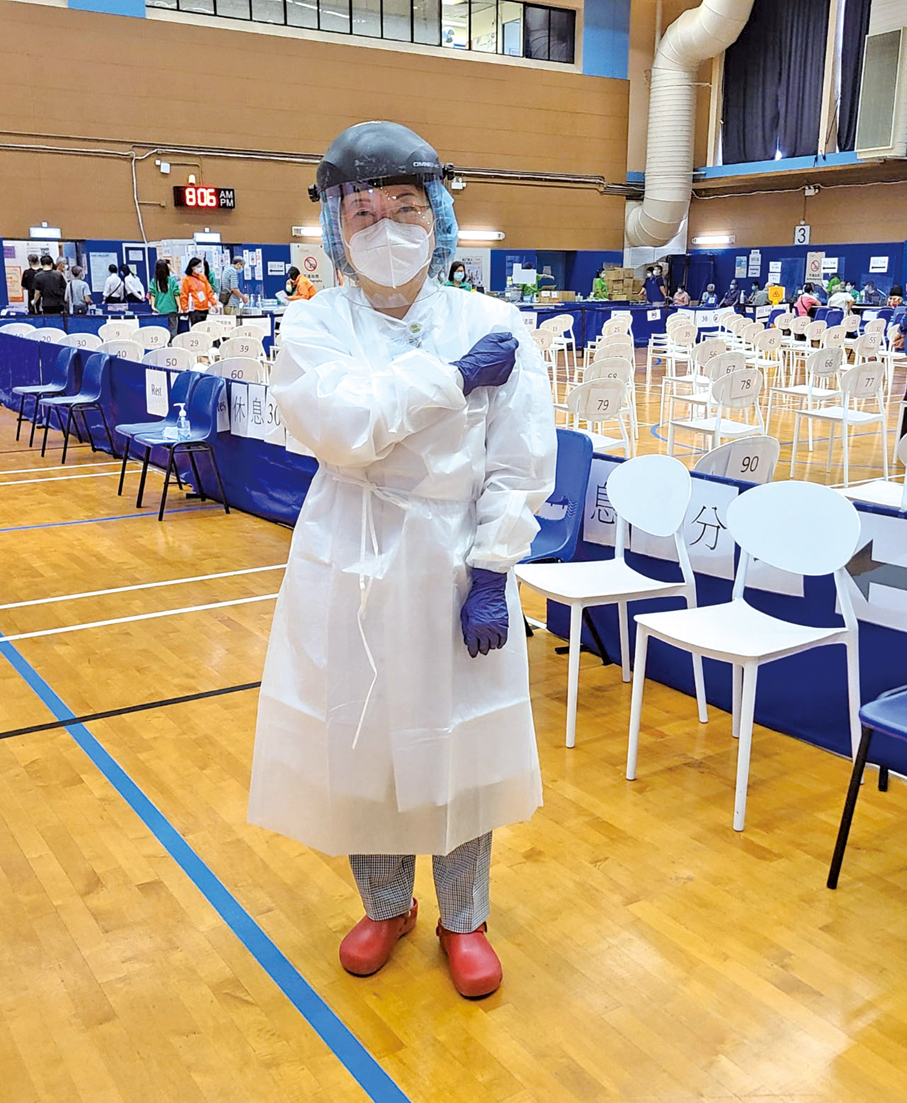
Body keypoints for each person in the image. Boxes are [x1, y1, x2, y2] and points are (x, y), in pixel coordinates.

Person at [247, 121, 556, 1000]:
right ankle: (386, 904)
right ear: (335, 227)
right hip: (347, 558)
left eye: (405, 207)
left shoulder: (493, 323)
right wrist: (451, 379)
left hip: (453, 562)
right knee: (362, 738)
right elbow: (345, 429)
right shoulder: (314, 324)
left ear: (439, 218)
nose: (386, 227)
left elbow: (519, 462)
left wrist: (492, 570)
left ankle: (465, 917)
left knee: (461, 744)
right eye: (363, 212)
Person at [150, 259, 182, 337]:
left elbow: (152, 294)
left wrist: (153, 306)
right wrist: (179, 306)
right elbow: (176, 293)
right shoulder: (172, 280)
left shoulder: (154, 281)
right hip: (171, 309)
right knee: (173, 331)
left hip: (159, 310)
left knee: (161, 332)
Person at [180, 256, 217, 324]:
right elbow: (184, 295)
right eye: (198, 266)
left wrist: (213, 303)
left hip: (205, 307)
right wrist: (185, 308)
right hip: (194, 308)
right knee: (196, 326)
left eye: (200, 266)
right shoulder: (186, 279)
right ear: (192, 267)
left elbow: (209, 291)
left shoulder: (203, 277)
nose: (200, 268)